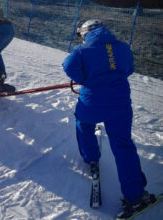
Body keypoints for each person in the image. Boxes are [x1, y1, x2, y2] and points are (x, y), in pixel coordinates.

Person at [62, 19, 155, 218]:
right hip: (119, 103)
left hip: (91, 102)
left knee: (84, 124)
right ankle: (136, 195)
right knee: (123, 144)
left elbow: (68, 66)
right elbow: (128, 69)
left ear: (86, 33)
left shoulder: (81, 50)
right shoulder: (122, 47)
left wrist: (85, 78)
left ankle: (90, 157)